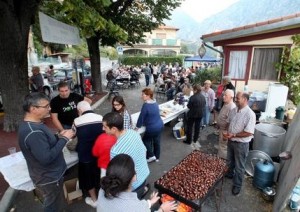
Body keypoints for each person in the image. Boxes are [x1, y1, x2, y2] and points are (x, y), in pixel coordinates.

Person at [18, 92, 74, 211]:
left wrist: (58, 136)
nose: (50, 108)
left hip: (49, 175)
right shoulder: (33, 132)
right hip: (49, 178)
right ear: (33, 109)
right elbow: (46, 158)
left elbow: (45, 144)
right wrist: (65, 138)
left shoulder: (35, 124)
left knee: (56, 201)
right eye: (46, 106)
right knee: (52, 205)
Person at [97, 154, 177, 212]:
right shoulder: (133, 207)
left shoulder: (103, 189)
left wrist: (150, 202)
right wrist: (162, 209)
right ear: (134, 177)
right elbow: (135, 208)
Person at [102, 112, 150, 199]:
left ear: (113, 129)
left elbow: (117, 174)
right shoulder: (133, 133)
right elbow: (144, 150)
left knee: (135, 203)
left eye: (105, 127)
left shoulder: (115, 150)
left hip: (133, 184)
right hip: (144, 172)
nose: (103, 129)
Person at [223, 91, 256, 196]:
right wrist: (226, 133)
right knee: (230, 160)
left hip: (241, 145)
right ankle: (229, 174)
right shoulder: (233, 110)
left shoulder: (250, 114)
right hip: (231, 141)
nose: (235, 100)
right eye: (236, 98)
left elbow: (249, 132)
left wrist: (233, 135)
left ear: (245, 100)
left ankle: (237, 185)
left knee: (240, 166)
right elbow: (229, 122)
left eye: (238, 98)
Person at [72, 100, 103, 208]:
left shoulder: (77, 121)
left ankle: (94, 200)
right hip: (100, 153)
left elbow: (73, 135)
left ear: (80, 110)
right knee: (99, 173)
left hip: (85, 154)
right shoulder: (101, 117)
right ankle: (103, 195)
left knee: (88, 177)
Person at [136, 88, 164, 163]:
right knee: (156, 141)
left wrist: (137, 127)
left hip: (152, 128)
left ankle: (151, 156)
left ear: (148, 96)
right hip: (160, 125)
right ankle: (157, 157)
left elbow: (141, 117)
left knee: (145, 140)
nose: (141, 96)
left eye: (143, 95)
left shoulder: (146, 105)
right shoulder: (155, 102)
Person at [183, 84, 206, 149]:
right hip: (200, 114)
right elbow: (204, 104)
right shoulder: (203, 97)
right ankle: (195, 140)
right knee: (197, 127)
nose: (192, 90)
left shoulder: (193, 97)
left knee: (189, 127)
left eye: (193, 89)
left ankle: (188, 140)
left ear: (195, 90)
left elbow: (188, 106)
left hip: (193, 114)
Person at [216, 89, 236, 159]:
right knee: (221, 144)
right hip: (222, 129)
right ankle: (220, 157)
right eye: (223, 95)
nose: (223, 97)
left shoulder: (232, 107)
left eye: (226, 95)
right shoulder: (226, 104)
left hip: (225, 131)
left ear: (231, 97)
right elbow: (222, 116)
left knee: (223, 146)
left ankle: (222, 160)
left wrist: (226, 132)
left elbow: (231, 122)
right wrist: (218, 124)